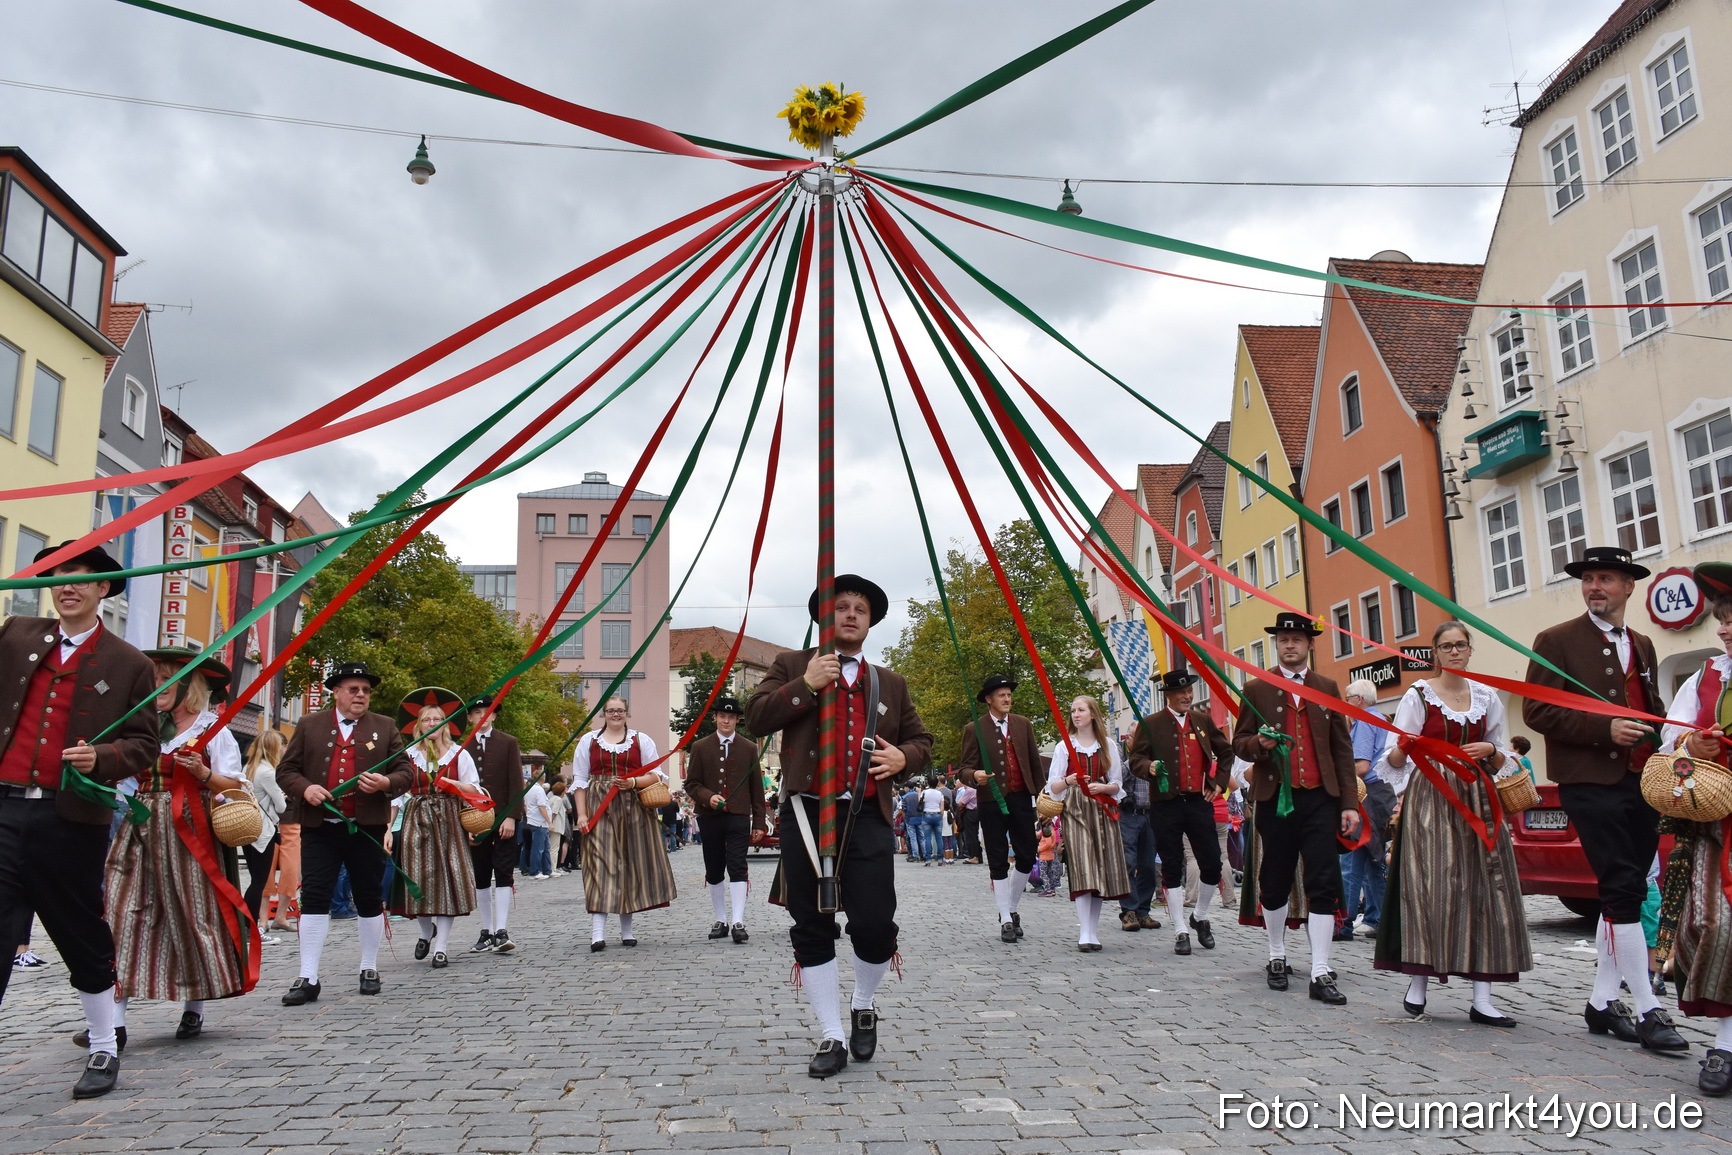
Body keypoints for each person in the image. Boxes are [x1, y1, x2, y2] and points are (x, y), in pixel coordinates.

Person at [745, 574, 932, 1079]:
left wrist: (903, 758)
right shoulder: (791, 664)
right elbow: (756, 717)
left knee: (875, 925)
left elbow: (921, 741)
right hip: (805, 812)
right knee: (811, 924)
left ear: (870, 622)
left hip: (866, 813)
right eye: (841, 607)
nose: (850, 614)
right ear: (825, 618)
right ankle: (830, 1033)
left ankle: (864, 1002)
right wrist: (806, 685)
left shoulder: (888, 681)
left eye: (860, 609)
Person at [0, 542, 158, 1099]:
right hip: (3, 808)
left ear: (103, 590)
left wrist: (104, 759)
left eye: (81, 578)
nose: (67, 586)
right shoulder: (15, 633)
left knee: (79, 933)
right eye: (59, 576)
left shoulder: (129, 663)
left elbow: (144, 744)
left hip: (71, 818)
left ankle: (103, 1043)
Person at [1522, 545, 1685, 1053]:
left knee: (1630, 889)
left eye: (1607, 578)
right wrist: (1602, 729)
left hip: (1641, 781)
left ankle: (1599, 1002)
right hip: (1588, 781)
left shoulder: (1643, 643)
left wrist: (1673, 749)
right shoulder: (1555, 640)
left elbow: (1651, 707)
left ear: (1628, 586)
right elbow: (1537, 713)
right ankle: (1650, 1009)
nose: (1596, 587)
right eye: (1589, 578)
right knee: (1620, 887)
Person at [1373, 622, 1532, 1025]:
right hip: (1433, 797)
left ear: (1470, 650)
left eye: (1461, 645)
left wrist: (1492, 749)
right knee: (1432, 885)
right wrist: (1404, 747)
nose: (1455, 652)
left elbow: (1504, 757)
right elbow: (1392, 759)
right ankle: (1420, 982)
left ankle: (1483, 997)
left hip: (1478, 798)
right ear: (1435, 653)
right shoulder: (1419, 694)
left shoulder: (1487, 696)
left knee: (1485, 887)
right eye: (1446, 646)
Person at [99, 645, 257, 1046]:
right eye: (154, 676)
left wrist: (204, 773)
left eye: (166, 676)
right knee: (123, 914)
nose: (156, 684)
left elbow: (236, 787)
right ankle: (112, 1021)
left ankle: (194, 1006)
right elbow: (124, 779)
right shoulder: (143, 727)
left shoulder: (213, 730)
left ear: (188, 685)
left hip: (193, 834)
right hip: (140, 830)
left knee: (192, 915)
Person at [1231, 612, 1360, 1005]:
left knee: (1323, 881)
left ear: (1309, 645)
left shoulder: (1327, 687)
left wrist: (1349, 803)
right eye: (1284, 639)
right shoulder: (1258, 688)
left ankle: (1320, 970)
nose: (1290, 645)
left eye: (1297, 639)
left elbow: (1342, 749)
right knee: (1275, 878)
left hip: (1321, 798)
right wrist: (1260, 747)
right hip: (1276, 798)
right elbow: (1239, 743)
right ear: (1277, 645)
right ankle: (1276, 954)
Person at [275, 661, 413, 1006]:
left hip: (365, 828)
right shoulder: (309, 725)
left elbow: (405, 772)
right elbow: (286, 770)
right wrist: (305, 788)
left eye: (366, 690)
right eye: (354, 689)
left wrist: (386, 783)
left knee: (367, 896)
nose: (361, 695)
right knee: (316, 896)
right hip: (320, 827)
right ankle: (308, 976)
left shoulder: (385, 726)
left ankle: (369, 967)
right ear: (336, 692)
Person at [1659, 562, 1732, 1095]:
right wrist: (1692, 747)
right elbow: (1669, 746)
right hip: (1715, 822)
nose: (1725, 628)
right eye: (1722, 618)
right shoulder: (1706, 677)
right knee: (1713, 924)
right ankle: (1725, 1045)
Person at [1129, 670, 1230, 954]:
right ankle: (1180, 929)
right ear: (1169, 696)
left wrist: (1218, 783)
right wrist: (1147, 767)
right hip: (1165, 804)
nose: (1187, 696)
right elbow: (1135, 759)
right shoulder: (1151, 724)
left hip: (1198, 802)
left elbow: (1226, 752)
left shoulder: (1202, 720)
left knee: (1212, 863)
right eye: (1181, 692)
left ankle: (1199, 916)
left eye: (1189, 691)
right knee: (1172, 865)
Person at [572, 697, 676, 950]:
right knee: (599, 867)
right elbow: (580, 780)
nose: (615, 714)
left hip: (633, 809)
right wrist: (582, 815)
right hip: (600, 809)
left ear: (627, 713)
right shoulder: (588, 741)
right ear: (603, 714)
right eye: (611, 711)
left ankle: (626, 931)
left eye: (620, 710)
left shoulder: (641, 740)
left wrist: (632, 783)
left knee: (628, 866)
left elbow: (656, 774)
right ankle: (597, 933)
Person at [386, 691, 479, 970]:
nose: (432, 723)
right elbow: (396, 796)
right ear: (418, 725)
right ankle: (427, 932)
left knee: (448, 881)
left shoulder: (458, 754)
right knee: (418, 880)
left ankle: (442, 947)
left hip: (449, 819)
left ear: (447, 724)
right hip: (416, 818)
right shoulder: (408, 756)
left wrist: (454, 786)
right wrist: (388, 829)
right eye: (427, 719)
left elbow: (473, 789)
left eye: (438, 719)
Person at [958, 674, 1043, 943]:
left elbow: (1034, 762)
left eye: (1009, 694)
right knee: (996, 859)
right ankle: (1006, 918)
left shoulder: (1023, 724)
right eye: (1002, 695)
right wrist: (976, 776)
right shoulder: (975, 728)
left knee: (1027, 855)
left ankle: (1012, 907)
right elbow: (964, 769)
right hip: (991, 800)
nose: (1007, 699)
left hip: (1020, 798)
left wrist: (1042, 796)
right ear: (989, 699)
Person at [1046, 695, 1130, 951]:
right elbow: (1053, 787)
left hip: (1103, 809)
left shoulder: (1108, 745)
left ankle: (1093, 931)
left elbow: (1117, 784)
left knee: (1101, 869)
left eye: (1081, 710)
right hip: (1076, 810)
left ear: (1092, 714)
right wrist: (1070, 780)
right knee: (1083, 868)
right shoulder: (1064, 746)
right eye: (1073, 710)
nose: (1075, 714)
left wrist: (1103, 786)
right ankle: (1084, 931)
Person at [683, 696, 767, 944]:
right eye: (722, 716)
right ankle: (720, 919)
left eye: (731, 717)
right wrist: (707, 797)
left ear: (737, 720)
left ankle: (739, 920)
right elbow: (691, 783)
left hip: (739, 816)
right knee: (714, 867)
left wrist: (760, 822)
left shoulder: (749, 748)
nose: (726, 720)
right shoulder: (700, 747)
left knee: (738, 866)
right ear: (715, 718)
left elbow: (757, 789)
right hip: (710, 817)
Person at [461, 697, 523, 953]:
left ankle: (501, 929)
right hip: (475, 819)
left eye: (487, 712)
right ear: (469, 718)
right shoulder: (461, 747)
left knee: (504, 872)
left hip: (503, 817)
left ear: (495, 716)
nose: (482, 717)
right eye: (477, 713)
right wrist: (466, 822)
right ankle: (486, 930)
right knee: (481, 874)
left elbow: (515, 782)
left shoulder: (508, 742)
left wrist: (511, 815)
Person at [1342, 679, 1394, 940]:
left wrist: (1336, 773)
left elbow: (1361, 766)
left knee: (1352, 858)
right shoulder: (1381, 718)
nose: (1345, 703)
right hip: (1382, 793)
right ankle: (1378, 919)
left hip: (1367, 793)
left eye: (1347, 697)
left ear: (1358, 700)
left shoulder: (1363, 722)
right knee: (1374, 858)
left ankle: (1344, 922)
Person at [243, 730, 289, 930]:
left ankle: (247, 926)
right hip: (263, 831)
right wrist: (283, 796)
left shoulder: (248, 768)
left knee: (255, 879)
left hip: (248, 827)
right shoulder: (268, 772)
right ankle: (251, 927)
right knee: (259, 882)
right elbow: (281, 807)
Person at [522, 775, 553, 879]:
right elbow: (541, 806)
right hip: (540, 822)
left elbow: (526, 806)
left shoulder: (529, 789)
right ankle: (535, 871)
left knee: (545, 847)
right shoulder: (539, 790)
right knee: (539, 848)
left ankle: (547, 870)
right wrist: (549, 822)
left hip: (535, 821)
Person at [919, 780, 945, 866]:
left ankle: (928, 859)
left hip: (926, 814)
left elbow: (919, 802)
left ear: (928, 784)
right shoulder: (939, 793)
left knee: (927, 838)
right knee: (939, 838)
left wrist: (919, 792)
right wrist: (940, 817)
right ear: (937, 784)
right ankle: (940, 859)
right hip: (937, 814)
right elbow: (942, 808)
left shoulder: (924, 792)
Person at [547, 780, 570, 876]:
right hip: (556, 826)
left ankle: (551, 867)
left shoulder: (552, 798)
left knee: (551, 847)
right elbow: (554, 812)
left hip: (553, 826)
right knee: (554, 848)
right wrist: (550, 823)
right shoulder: (558, 800)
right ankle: (553, 868)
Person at [954, 780, 980, 863]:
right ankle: (978, 856)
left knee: (971, 835)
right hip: (977, 812)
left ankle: (974, 856)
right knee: (975, 834)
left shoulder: (969, 790)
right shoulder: (976, 789)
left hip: (970, 813)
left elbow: (960, 803)